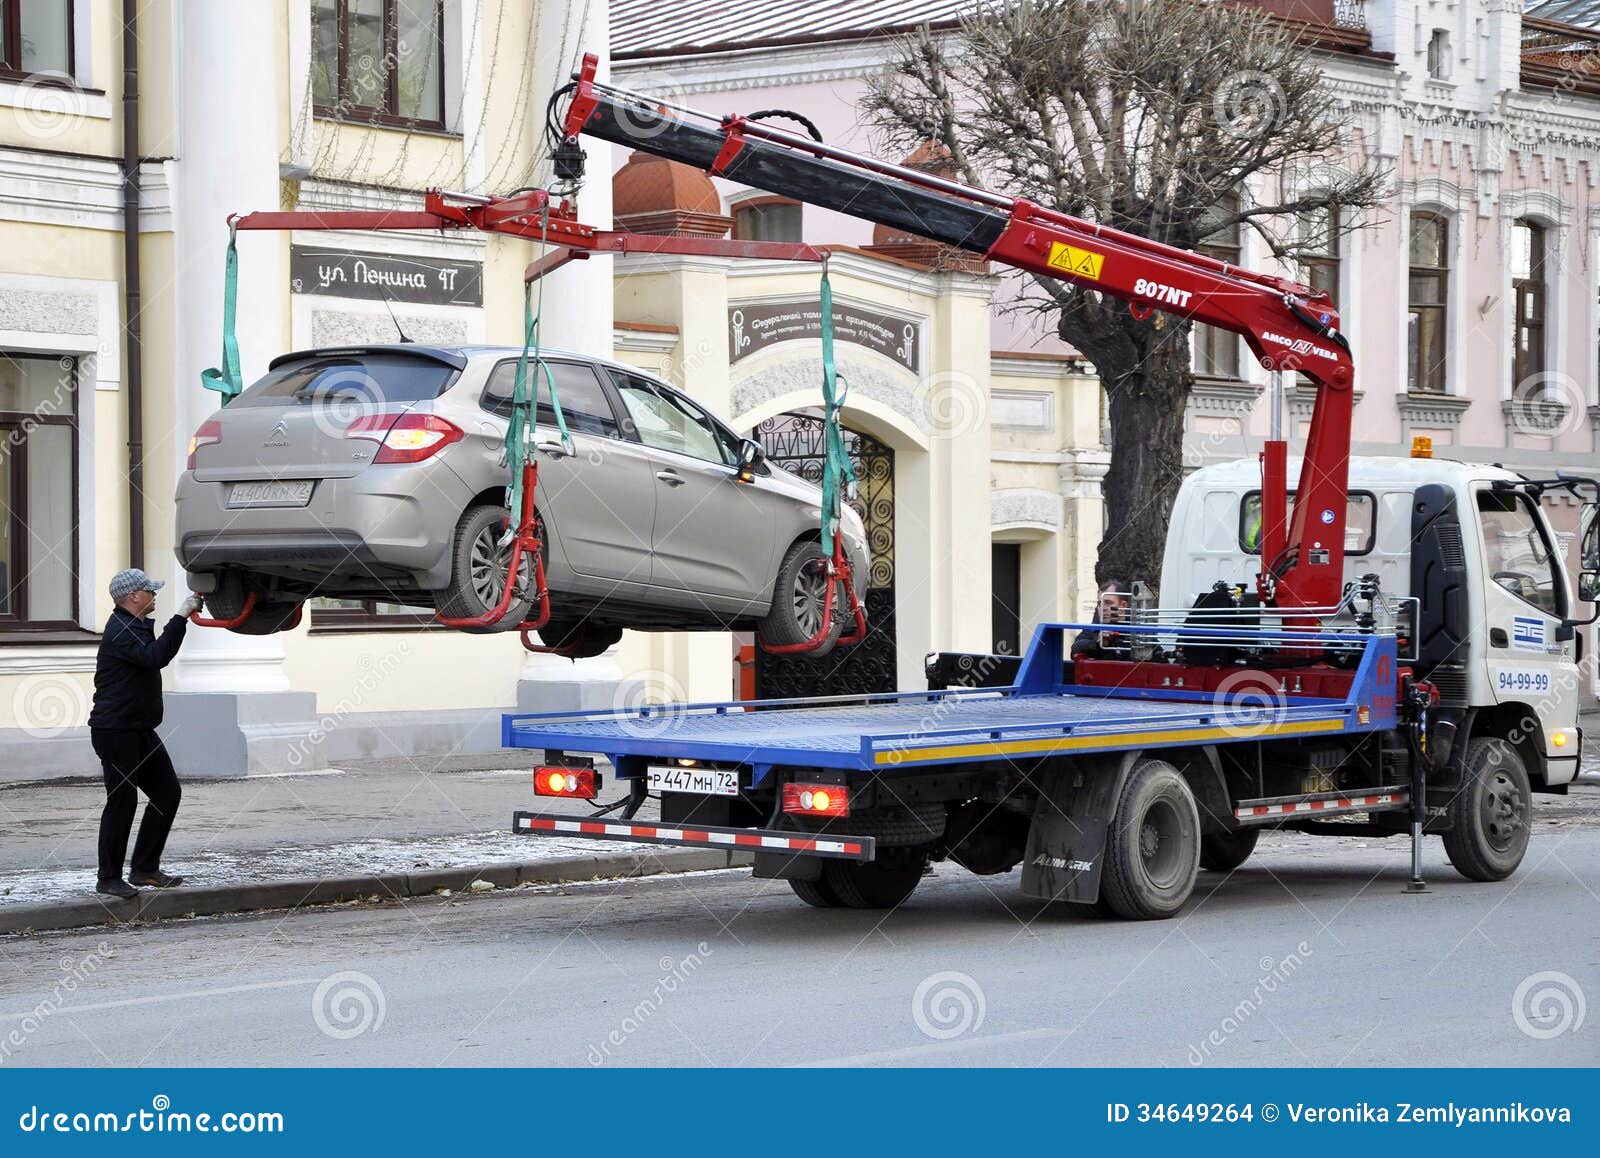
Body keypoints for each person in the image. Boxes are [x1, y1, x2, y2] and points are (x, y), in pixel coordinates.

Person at [87, 568, 202, 899]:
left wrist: (181, 617)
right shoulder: (122, 630)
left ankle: (145, 869)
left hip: (138, 728)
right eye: (149, 591)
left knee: (167, 793)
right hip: (115, 731)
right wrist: (180, 617)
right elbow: (157, 657)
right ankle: (108, 878)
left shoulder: (133, 625)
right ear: (133, 596)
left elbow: (153, 656)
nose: (154, 595)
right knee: (122, 801)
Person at [1070, 580, 1131, 659]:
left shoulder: (1136, 630)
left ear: (1123, 605)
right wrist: (1098, 642)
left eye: (1108, 603)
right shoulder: (1093, 629)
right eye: (1099, 603)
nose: (1102, 608)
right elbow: (1075, 650)